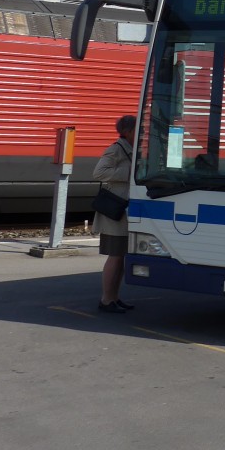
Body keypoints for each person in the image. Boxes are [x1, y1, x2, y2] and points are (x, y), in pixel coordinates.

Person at [92, 114, 136, 314]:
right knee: (115, 256)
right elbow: (99, 173)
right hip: (114, 212)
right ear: (127, 132)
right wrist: (128, 175)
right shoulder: (116, 149)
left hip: (124, 210)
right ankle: (106, 299)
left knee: (121, 256)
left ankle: (114, 297)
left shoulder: (131, 149)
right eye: (138, 130)